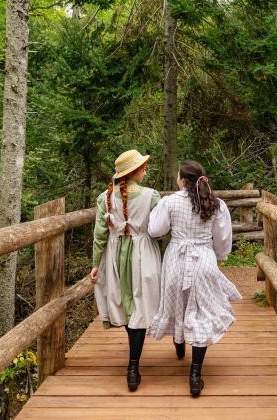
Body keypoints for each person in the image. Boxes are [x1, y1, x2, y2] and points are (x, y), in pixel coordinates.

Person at [147, 160, 242, 396]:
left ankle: (179, 346)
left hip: (175, 259)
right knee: (201, 312)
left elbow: (155, 230)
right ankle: (195, 375)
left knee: (176, 303)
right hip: (204, 259)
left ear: (181, 179)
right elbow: (222, 238)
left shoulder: (169, 201)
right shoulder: (215, 204)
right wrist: (218, 259)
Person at [89, 149, 161, 391]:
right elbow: (161, 228)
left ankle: (133, 365)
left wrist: (95, 264)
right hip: (143, 256)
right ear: (134, 172)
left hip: (115, 256)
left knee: (128, 305)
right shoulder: (151, 196)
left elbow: (100, 235)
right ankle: (133, 368)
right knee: (139, 306)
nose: (146, 171)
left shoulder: (105, 198)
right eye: (143, 168)